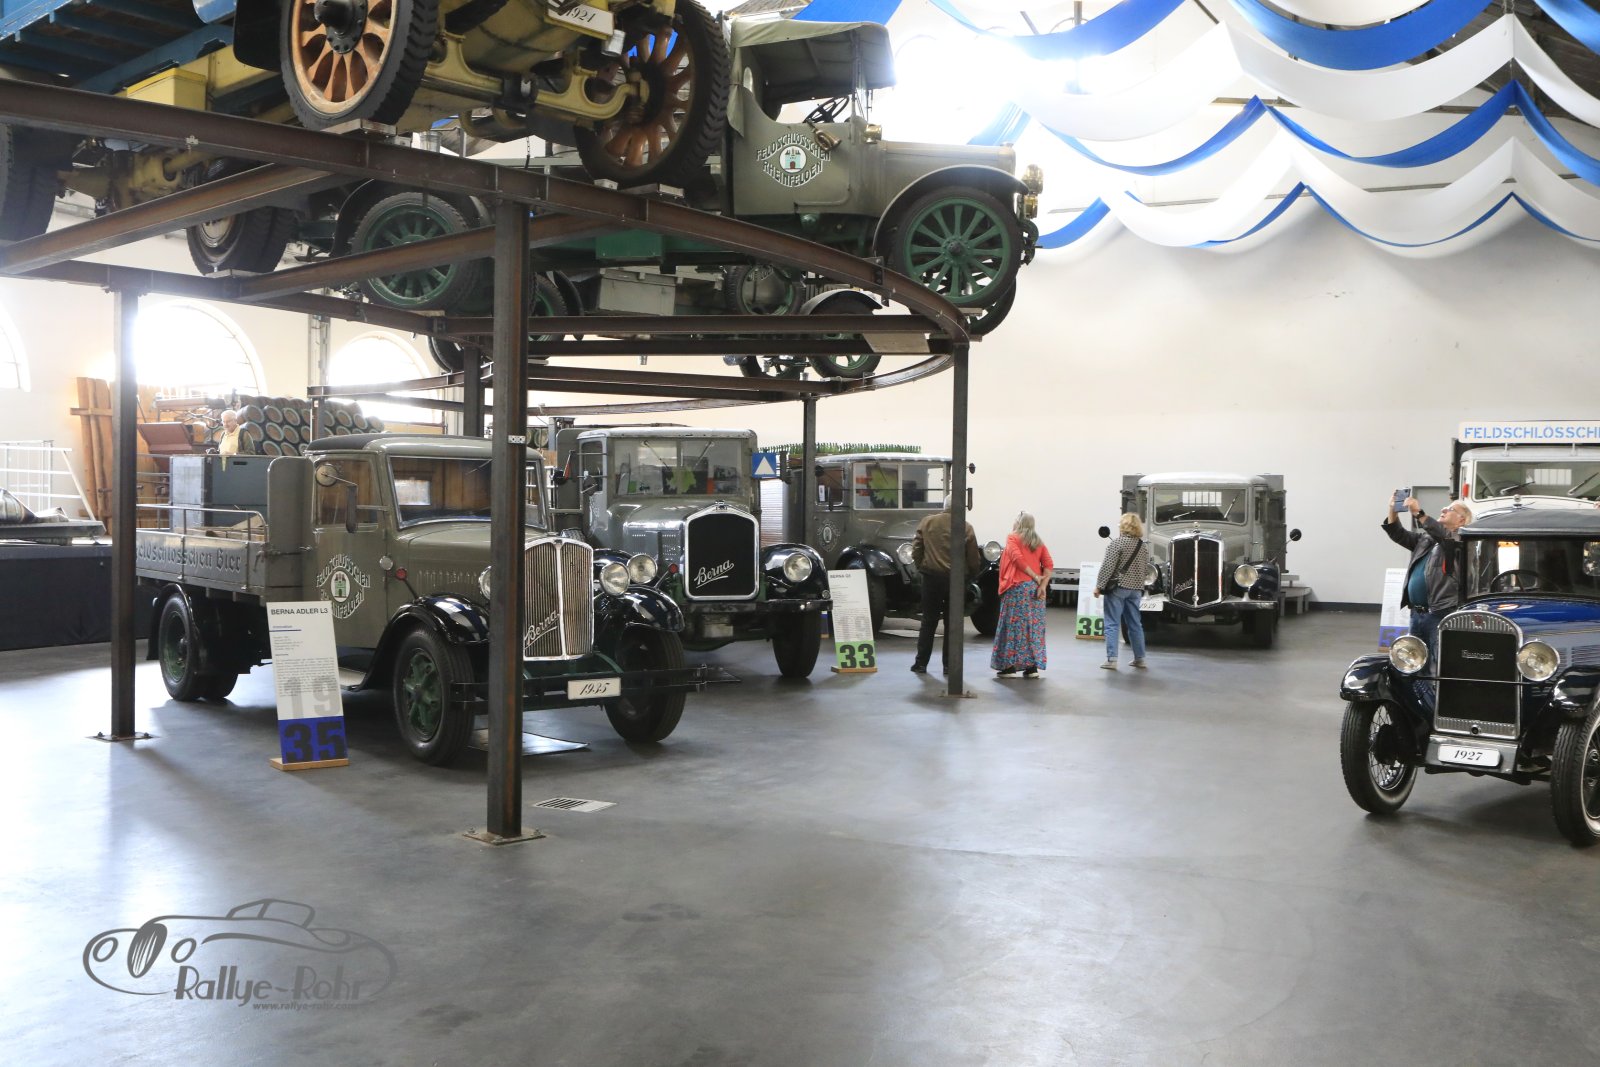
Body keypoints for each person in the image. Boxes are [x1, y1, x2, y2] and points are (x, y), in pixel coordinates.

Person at [1383, 496, 1471, 649]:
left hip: (1440, 613)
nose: (1443, 510)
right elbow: (1398, 534)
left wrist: (1418, 513)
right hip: (1417, 613)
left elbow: (1443, 535)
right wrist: (1393, 510)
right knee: (1415, 658)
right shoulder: (1427, 539)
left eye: (1450, 509)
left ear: (1461, 521)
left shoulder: (1460, 540)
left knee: (1439, 658)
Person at [910, 496, 983, 675]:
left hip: (931, 578)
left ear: (944, 506)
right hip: (956, 580)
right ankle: (949, 665)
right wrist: (971, 575)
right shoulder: (966, 527)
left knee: (928, 621)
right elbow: (973, 558)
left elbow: (916, 549)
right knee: (953, 623)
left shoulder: (927, 522)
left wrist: (922, 567)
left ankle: (921, 663)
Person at [991, 511, 1052, 678]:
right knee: (1033, 628)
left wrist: (1035, 576)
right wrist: (1042, 585)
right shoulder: (1038, 541)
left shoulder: (1012, 537)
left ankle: (1009, 667)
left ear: (1018, 522)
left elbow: (1017, 559)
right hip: (1035, 590)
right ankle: (1031, 667)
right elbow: (1049, 564)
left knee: (1012, 627)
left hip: (1016, 588)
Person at [1095, 513, 1152, 670]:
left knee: (1112, 623)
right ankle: (1140, 659)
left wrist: (1099, 586)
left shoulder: (1117, 543)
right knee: (1135, 624)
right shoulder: (1142, 546)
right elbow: (1145, 570)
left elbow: (1107, 567)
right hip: (1136, 590)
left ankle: (1112, 660)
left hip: (1118, 589)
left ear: (1124, 526)